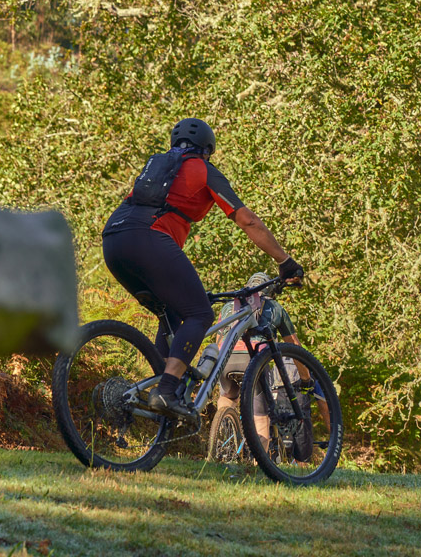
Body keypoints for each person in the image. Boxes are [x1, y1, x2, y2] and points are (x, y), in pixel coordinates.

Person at [101, 118, 303, 419]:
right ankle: (166, 390)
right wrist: (284, 262)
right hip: (149, 239)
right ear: (207, 149)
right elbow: (248, 220)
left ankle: (161, 394)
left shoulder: (157, 168)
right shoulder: (203, 169)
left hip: (113, 241)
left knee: (173, 315)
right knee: (200, 314)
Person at [214, 272, 326, 461]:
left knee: (227, 397)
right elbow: (294, 346)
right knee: (260, 415)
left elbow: (219, 339)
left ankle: (221, 432)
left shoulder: (228, 306)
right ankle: (259, 464)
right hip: (254, 359)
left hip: (226, 357)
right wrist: (305, 377)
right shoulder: (275, 308)